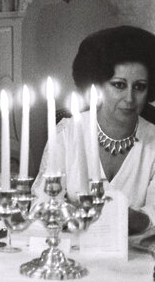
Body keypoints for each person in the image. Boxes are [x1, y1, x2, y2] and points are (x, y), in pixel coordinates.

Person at [33, 26, 155, 234]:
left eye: (139, 86)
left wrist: (126, 218)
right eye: (119, 85)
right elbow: (40, 205)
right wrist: (68, 214)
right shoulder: (67, 134)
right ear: (98, 85)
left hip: (135, 258)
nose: (129, 98)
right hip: (73, 252)